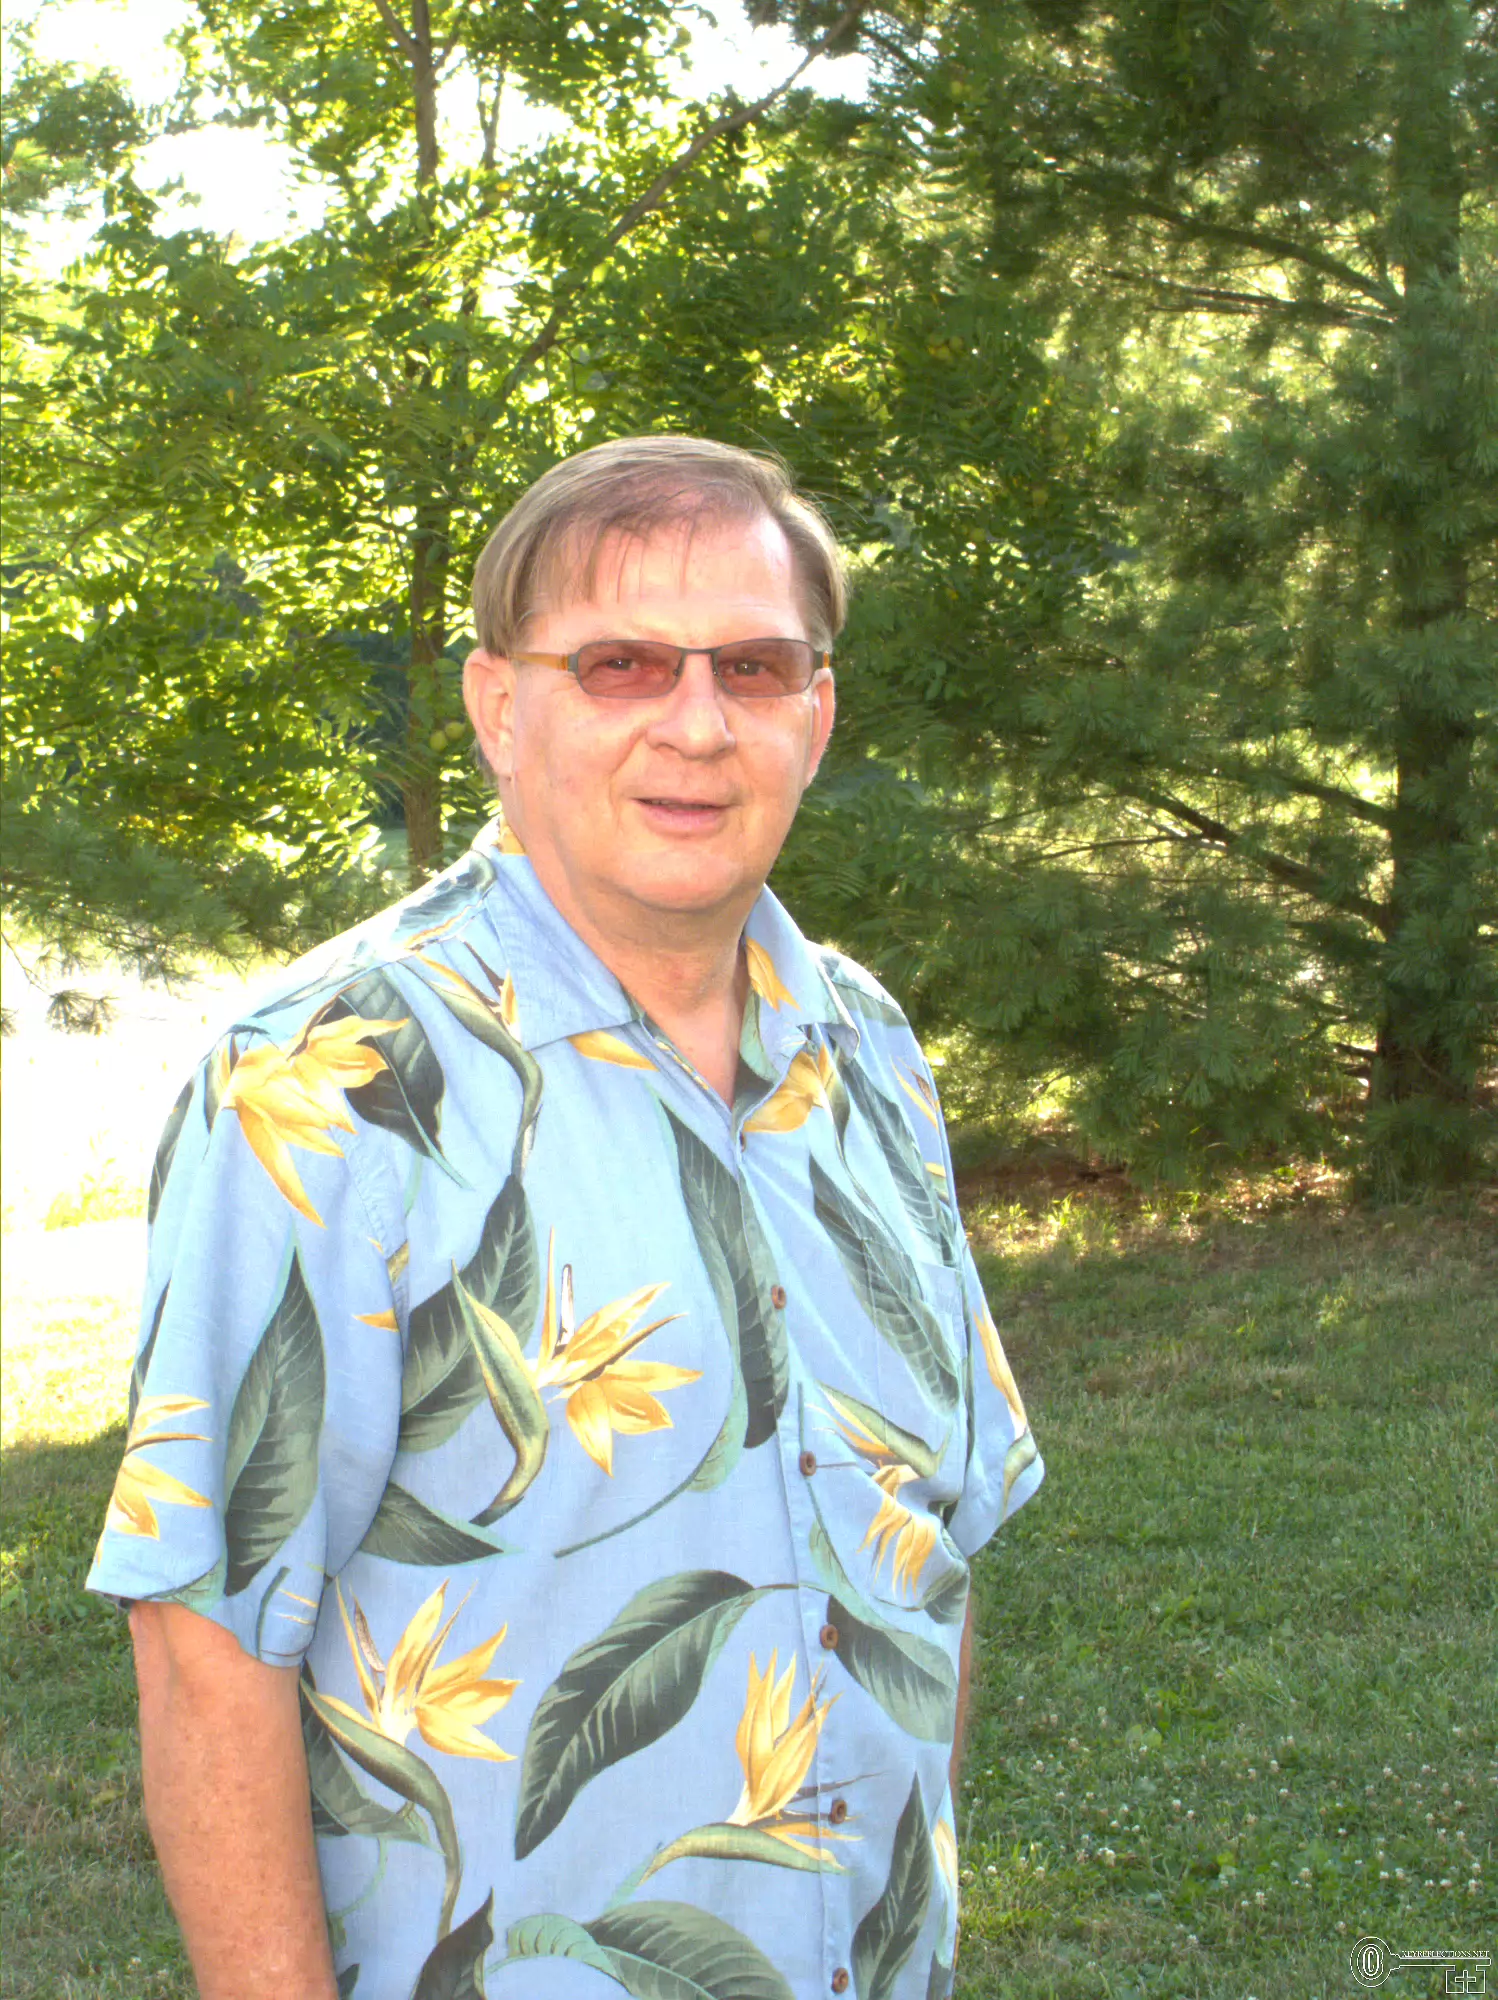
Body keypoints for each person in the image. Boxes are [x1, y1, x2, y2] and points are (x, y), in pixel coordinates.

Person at [89, 435, 1043, 2000]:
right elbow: (208, 1638)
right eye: (619, 664)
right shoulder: (332, 1081)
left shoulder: (865, 1050)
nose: (696, 723)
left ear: (815, 714)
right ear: (498, 707)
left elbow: (920, 1540)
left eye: (752, 666)